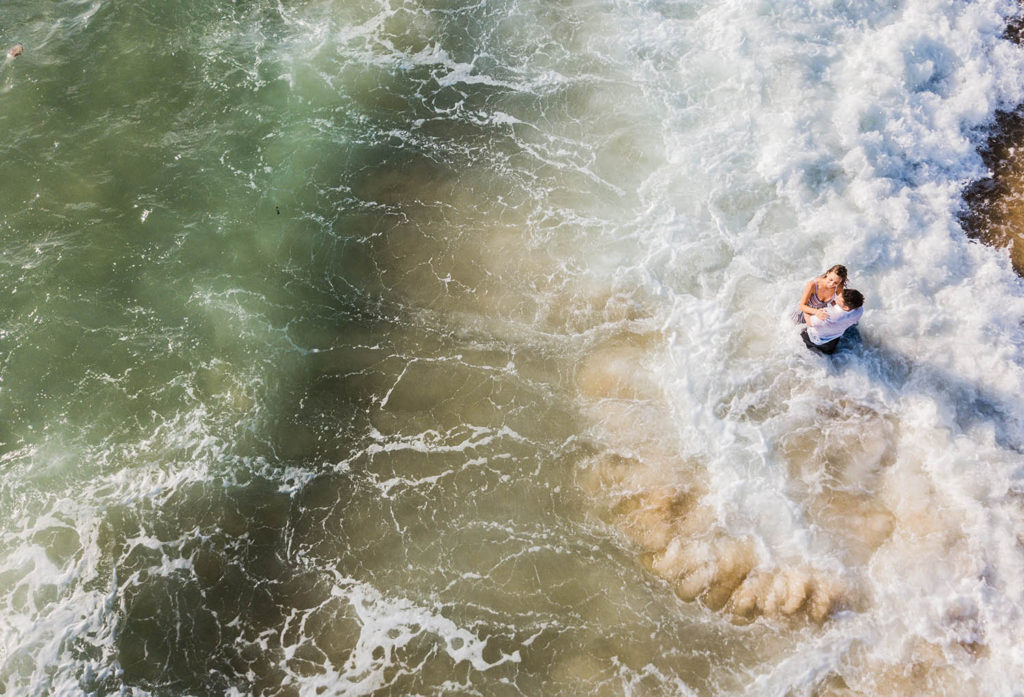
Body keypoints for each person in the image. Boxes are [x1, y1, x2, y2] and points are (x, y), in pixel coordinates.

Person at [801, 288, 864, 355]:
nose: (836, 297)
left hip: (814, 339)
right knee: (827, 355)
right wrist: (835, 303)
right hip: (832, 341)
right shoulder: (859, 310)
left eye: (839, 299)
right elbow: (842, 314)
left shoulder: (828, 315)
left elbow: (809, 322)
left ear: (845, 307)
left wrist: (805, 306)